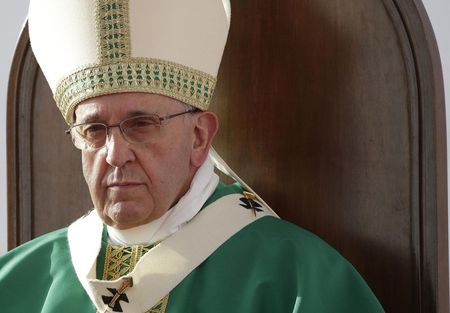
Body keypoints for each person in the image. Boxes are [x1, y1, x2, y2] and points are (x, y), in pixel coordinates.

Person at [0, 0, 385, 312]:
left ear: (199, 136)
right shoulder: (17, 282)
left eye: (141, 124)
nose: (115, 154)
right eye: (94, 130)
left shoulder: (298, 279)